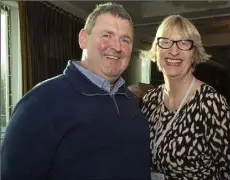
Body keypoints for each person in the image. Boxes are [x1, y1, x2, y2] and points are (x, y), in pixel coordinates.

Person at [1, 3, 150, 180]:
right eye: (106, 35)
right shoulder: (41, 102)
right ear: (83, 39)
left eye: (125, 40)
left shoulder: (129, 100)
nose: (117, 47)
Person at [140, 14, 230, 180]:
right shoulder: (150, 100)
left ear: (194, 53)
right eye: (166, 42)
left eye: (184, 43)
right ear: (157, 49)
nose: (174, 51)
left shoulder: (211, 104)